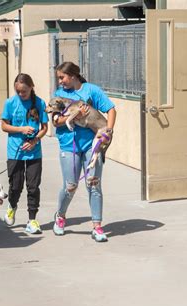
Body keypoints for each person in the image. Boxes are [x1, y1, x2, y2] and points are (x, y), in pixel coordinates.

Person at [51, 61, 116, 242]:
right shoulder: (59, 95)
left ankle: (97, 226)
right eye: (59, 78)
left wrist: (107, 131)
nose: (60, 81)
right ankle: (61, 216)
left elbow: (111, 110)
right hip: (68, 146)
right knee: (70, 186)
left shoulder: (91, 91)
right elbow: (55, 121)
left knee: (93, 184)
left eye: (62, 77)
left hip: (90, 146)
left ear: (73, 76)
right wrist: (74, 115)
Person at [1, 73, 49, 234]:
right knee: (16, 186)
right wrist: (21, 129)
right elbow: (4, 126)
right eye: (18, 91)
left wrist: (35, 140)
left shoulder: (39, 103)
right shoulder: (10, 103)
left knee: (33, 187)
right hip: (15, 151)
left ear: (31, 88)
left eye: (24, 91)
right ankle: (12, 206)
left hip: (34, 152)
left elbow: (44, 128)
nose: (21, 94)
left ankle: (32, 219)